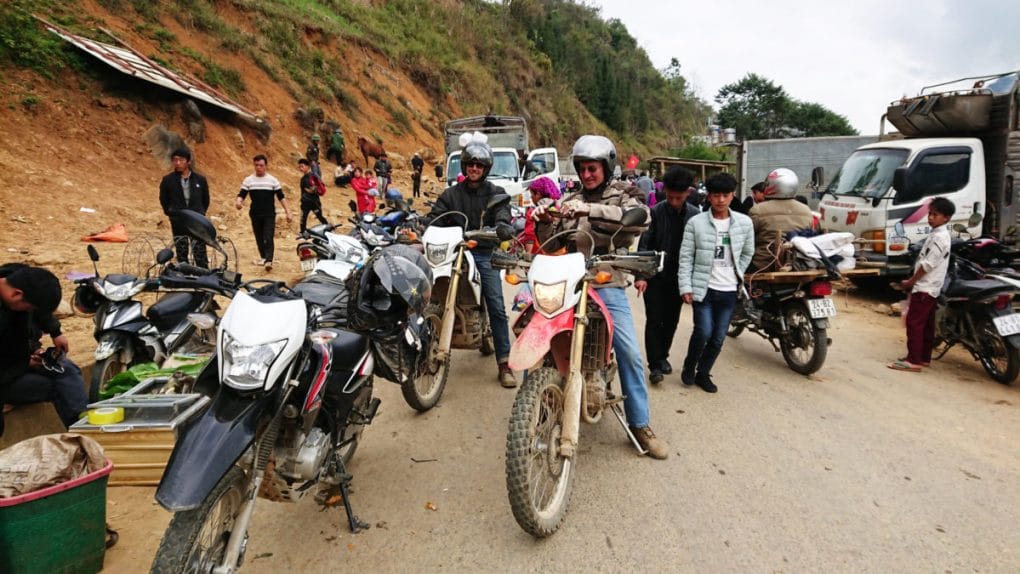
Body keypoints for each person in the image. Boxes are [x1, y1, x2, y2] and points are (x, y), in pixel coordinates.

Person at [533, 134, 668, 459]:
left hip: (606, 280)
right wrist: (544, 222)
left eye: (592, 168)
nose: (587, 174)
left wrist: (589, 209)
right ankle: (535, 411)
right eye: (582, 168)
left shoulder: (626, 193)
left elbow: (642, 218)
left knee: (630, 353)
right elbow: (552, 244)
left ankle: (640, 424)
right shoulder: (570, 198)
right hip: (570, 281)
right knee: (537, 336)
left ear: (606, 167)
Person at [426, 132, 516, 388]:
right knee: (431, 295)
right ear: (465, 166)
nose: (474, 168)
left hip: (483, 252)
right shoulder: (451, 194)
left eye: (479, 165)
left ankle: (504, 363)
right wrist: (421, 225)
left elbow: (502, 212)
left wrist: (502, 225)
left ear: (486, 168)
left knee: (497, 306)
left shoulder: (495, 192)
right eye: (470, 164)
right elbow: (436, 216)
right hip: (454, 252)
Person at [678, 172, 754, 394]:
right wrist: (686, 286)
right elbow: (686, 257)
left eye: (725, 195)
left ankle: (703, 373)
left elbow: (748, 251)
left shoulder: (744, 223)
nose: (721, 200)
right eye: (716, 195)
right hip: (704, 288)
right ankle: (689, 365)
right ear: (708, 197)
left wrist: (737, 270)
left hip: (729, 290)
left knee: (719, 337)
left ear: (732, 196)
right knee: (703, 332)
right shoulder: (695, 223)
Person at [0, 264, 86, 436]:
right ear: (16, 294)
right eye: (30, 309)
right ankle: (81, 436)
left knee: (67, 370)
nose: (31, 313)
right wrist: (24, 363)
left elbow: (40, 310)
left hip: (19, 361)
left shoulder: (17, 278)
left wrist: (56, 332)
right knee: (57, 387)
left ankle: (87, 429)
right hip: (6, 376)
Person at [634, 166, 699, 384]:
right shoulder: (655, 212)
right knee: (654, 320)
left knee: (671, 320)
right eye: (669, 196)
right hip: (654, 276)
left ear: (688, 193)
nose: (673, 201)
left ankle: (663, 357)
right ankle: (654, 366)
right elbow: (643, 245)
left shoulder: (695, 216)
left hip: (679, 279)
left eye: (678, 197)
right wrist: (641, 276)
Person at [888, 197, 955, 372]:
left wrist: (910, 282)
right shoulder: (936, 234)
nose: (930, 217)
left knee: (915, 323)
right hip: (930, 287)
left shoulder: (940, 238)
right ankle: (923, 357)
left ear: (946, 217)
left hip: (926, 287)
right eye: (930, 214)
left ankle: (913, 360)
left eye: (935, 215)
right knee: (926, 324)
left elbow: (927, 265)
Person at [748, 168, 814, 272]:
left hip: (762, 265)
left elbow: (748, 238)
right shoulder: (806, 210)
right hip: (799, 264)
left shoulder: (758, 209)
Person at [236, 154, 291, 271]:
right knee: (259, 237)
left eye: (261, 165)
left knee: (268, 236)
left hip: (269, 214)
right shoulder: (248, 180)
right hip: (255, 213)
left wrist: (288, 211)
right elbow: (242, 194)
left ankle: (269, 260)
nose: (258, 167)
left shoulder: (272, 180)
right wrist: (239, 202)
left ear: (266, 166)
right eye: (256, 165)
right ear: (254, 165)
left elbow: (281, 197)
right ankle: (264, 257)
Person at [158, 147, 210, 268]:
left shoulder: (200, 180)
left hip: (196, 219)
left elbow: (205, 199)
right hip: (178, 218)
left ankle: (203, 273)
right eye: (175, 160)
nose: (178, 163)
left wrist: (201, 212)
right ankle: (184, 273)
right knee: (181, 248)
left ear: (188, 162)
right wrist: (170, 212)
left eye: (181, 160)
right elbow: (163, 198)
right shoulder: (168, 180)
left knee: (199, 248)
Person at [517, 176, 561, 254]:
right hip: (560, 254)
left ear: (538, 194)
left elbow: (529, 237)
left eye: (532, 195)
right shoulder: (559, 209)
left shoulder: (533, 212)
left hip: (540, 254)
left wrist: (528, 255)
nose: (531, 198)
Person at [297, 158, 328, 234]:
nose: (301, 168)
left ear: (308, 166)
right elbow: (304, 190)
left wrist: (312, 189)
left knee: (320, 216)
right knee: (303, 218)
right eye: (299, 167)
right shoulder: (303, 179)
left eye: (302, 166)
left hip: (314, 202)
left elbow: (320, 186)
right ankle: (303, 232)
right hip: (305, 202)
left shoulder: (314, 176)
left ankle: (328, 227)